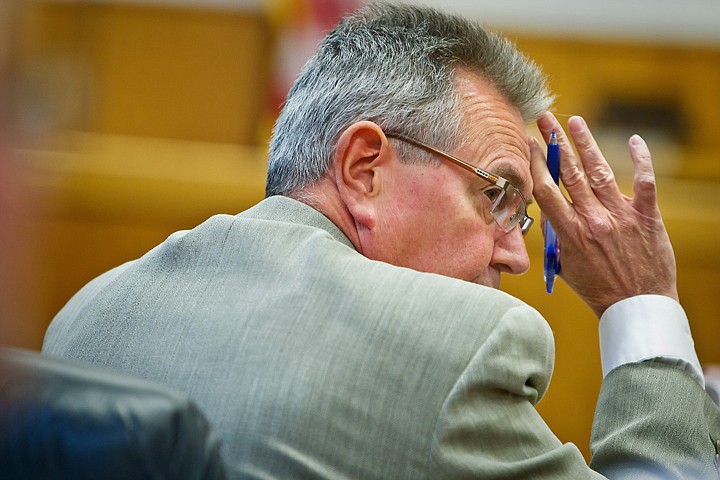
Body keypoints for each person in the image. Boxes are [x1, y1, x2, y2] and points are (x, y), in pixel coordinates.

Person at [42, 3, 720, 479]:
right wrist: (643, 307)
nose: (516, 255)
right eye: (496, 195)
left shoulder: (89, 313)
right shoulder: (448, 352)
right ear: (364, 170)